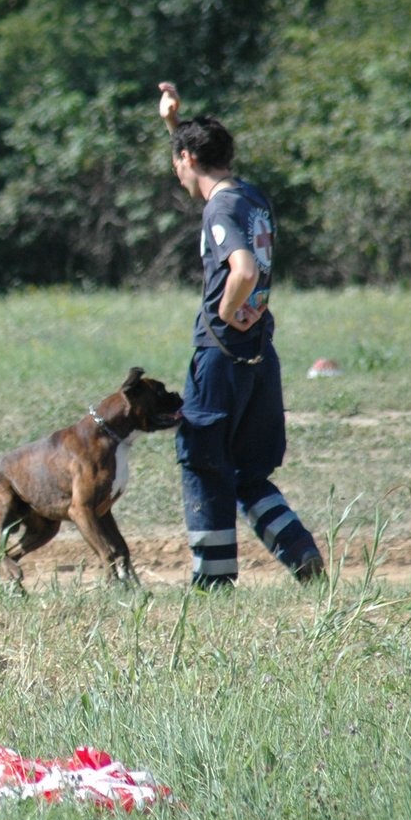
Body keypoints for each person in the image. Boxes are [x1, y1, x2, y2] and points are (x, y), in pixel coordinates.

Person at [158, 81, 325, 587]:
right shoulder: (251, 196)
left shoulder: (220, 208)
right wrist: (173, 124)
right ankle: (300, 553)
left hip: (221, 357)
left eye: (176, 158)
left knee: (204, 462)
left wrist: (229, 312)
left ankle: (212, 586)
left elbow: (244, 269)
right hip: (258, 357)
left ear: (187, 158)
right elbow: (205, 174)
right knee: (249, 473)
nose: (175, 170)